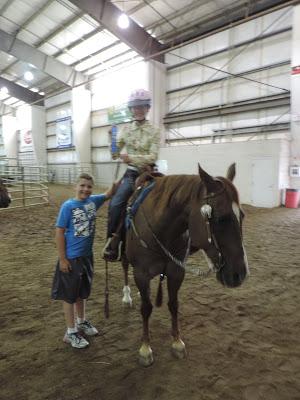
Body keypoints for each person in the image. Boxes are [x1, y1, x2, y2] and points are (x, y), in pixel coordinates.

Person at [51, 173, 114, 349]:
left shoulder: (93, 201)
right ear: (75, 186)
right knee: (70, 296)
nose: (85, 189)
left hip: (87, 257)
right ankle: (70, 332)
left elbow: (109, 193)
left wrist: (128, 168)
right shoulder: (68, 206)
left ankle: (82, 321)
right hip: (72, 258)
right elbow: (59, 232)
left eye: (89, 186)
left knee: (82, 292)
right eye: (82, 185)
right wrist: (63, 259)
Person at [102, 88, 161, 262]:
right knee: (115, 204)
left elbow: (153, 156)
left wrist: (131, 158)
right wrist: (111, 140)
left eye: (142, 106)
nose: (138, 110)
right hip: (132, 175)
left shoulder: (155, 131)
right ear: (131, 109)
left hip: (151, 173)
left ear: (147, 108)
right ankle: (112, 243)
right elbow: (114, 154)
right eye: (135, 107)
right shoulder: (126, 130)